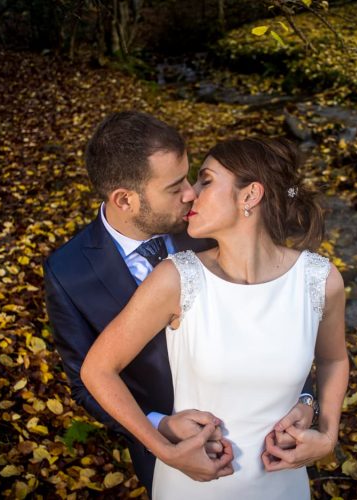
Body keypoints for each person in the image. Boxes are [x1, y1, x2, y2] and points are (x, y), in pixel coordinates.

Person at [43, 112, 315, 495]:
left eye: (191, 177)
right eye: (175, 187)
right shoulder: (68, 273)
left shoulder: (208, 228)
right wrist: (159, 426)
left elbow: (280, 313)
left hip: (271, 447)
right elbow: (85, 383)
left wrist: (306, 399)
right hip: (170, 461)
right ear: (125, 199)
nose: (191, 194)